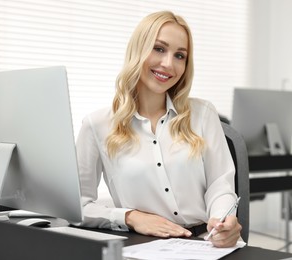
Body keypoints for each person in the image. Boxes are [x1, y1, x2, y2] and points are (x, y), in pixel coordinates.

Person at [75, 10, 242, 248]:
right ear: (138, 50)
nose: (168, 64)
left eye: (180, 55)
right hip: (143, 247)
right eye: (159, 48)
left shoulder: (203, 114)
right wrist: (131, 217)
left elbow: (220, 184)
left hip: (207, 245)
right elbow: (79, 206)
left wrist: (224, 221)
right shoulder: (97, 125)